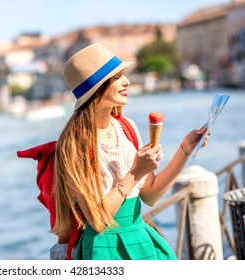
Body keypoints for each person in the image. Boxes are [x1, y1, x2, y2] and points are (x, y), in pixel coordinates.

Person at [51, 43, 209, 260]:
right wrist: (135, 172)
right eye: (117, 77)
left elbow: (150, 195)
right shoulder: (73, 143)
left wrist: (185, 150)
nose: (127, 81)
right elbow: (97, 220)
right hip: (103, 249)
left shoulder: (127, 127)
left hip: (141, 239)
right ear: (98, 87)